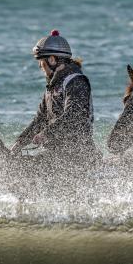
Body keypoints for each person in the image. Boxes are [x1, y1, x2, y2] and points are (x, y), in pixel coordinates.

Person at [10, 30, 101, 172]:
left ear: (52, 60)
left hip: (77, 156)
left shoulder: (76, 82)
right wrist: (19, 143)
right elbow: (40, 120)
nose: (40, 67)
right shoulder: (51, 87)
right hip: (54, 154)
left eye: (41, 62)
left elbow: (73, 116)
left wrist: (46, 134)